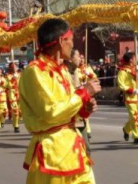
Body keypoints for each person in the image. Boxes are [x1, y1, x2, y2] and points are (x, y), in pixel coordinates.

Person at [18, 18, 100, 183]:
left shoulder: (62, 71)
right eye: (70, 40)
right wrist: (84, 93)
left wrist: (85, 108)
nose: (72, 45)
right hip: (52, 152)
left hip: (73, 147)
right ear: (61, 41)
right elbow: (51, 112)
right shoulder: (35, 72)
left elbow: (69, 107)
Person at [118, 52, 138, 144]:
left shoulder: (136, 68)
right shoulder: (123, 71)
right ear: (131, 59)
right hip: (130, 97)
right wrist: (130, 90)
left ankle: (126, 129)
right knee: (134, 117)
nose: (136, 59)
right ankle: (136, 137)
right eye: (135, 58)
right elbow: (121, 85)